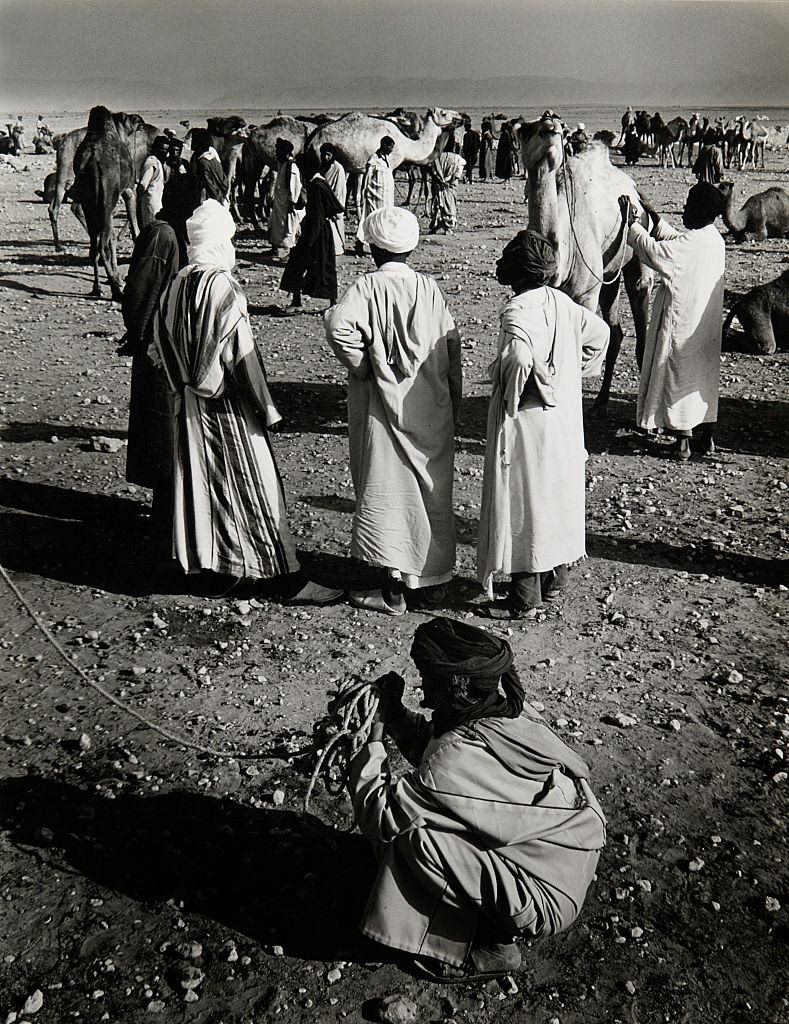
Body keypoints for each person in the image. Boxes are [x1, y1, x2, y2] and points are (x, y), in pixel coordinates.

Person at [347, 616, 607, 981]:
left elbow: (382, 815)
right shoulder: (508, 714)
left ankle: (491, 944)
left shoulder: (454, 757)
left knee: (413, 839)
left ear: (458, 690)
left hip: (546, 900)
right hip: (566, 867)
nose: (422, 694)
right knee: (431, 816)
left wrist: (369, 743)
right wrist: (397, 716)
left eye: (430, 683)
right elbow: (437, 754)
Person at [151, 199, 342, 604]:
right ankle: (282, 578)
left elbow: (158, 348)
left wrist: (181, 387)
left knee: (202, 487)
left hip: (187, 409)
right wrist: (267, 409)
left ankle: (212, 568)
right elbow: (241, 356)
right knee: (255, 485)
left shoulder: (173, 286)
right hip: (227, 409)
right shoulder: (224, 289)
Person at [325, 207, 462, 615]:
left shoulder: (367, 288)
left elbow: (338, 327)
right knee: (433, 493)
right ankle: (433, 583)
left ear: (373, 249)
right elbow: (450, 345)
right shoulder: (429, 288)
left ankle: (394, 589)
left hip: (383, 409)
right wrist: (452, 400)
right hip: (431, 404)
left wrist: (364, 366)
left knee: (390, 491)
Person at [477, 230, 609, 618]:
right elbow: (599, 334)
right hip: (563, 418)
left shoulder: (517, 311)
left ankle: (524, 597)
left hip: (527, 421)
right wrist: (570, 374)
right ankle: (556, 578)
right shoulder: (563, 302)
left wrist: (516, 394)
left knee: (523, 498)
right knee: (555, 494)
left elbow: (517, 359)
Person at [622, 182, 726, 460]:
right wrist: (654, 217)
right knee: (704, 378)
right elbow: (676, 239)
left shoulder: (689, 246)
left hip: (682, 326)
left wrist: (633, 225)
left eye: (689, 205)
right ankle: (706, 438)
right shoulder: (713, 239)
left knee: (678, 374)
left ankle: (682, 440)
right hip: (705, 332)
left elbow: (656, 252)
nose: (684, 208)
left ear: (700, 210)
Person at [120, 196, 183, 540]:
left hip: (167, 347)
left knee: (168, 435)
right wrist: (142, 335)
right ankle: (163, 523)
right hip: (158, 349)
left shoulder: (171, 234)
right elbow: (139, 292)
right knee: (162, 434)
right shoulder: (163, 235)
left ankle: (167, 515)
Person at [278, 149, 344, 313]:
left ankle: (297, 302)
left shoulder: (315, 186)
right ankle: (332, 303)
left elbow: (316, 214)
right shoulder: (321, 182)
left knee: (297, 263)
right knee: (324, 266)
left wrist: (309, 239)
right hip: (322, 232)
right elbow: (332, 208)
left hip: (315, 232)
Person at [355, 135, 395, 255]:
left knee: (385, 221)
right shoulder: (373, 160)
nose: (392, 150)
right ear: (384, 146)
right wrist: (363, 194)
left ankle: (382, 246)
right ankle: (362, 244)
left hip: (386, 199)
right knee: (372, 220)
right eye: (390, 147)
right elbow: (366, 179)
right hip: (374, 197)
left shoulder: (387, 160)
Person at [268, 137, 304, 259]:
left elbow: (295, 186)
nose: (277, 154)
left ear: (286, 153)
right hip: (280, 202)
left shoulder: (291, 166)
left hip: (287, 203)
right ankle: (276, 248)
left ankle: (289, 253)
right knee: (277, 225)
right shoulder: (281, 164)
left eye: (279, 152)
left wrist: (292, 202)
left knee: (289, 227)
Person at [428, 150, 466, 234]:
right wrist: (447, 183)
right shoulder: (458, 161)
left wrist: (441, 181)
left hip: (438, 184)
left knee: (437, 205)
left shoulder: (436, 159)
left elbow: (434, 173)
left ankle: (436, 225)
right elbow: (456, 176)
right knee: (449, 205)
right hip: (449, 187)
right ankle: (447, 227)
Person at [190, 127, 229, 206]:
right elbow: (225, 180)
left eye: (193, 139)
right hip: (220, 197)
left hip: (209, 201)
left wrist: (217, 199)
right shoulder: (214, 159)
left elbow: (208, 184)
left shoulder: (202, 162)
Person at [321, 143, 347, 256]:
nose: (325, 157)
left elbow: (340, 190)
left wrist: (335, 207)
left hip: (334, 203)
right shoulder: (322, 166)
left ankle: (337, 249)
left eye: (328, 155)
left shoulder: (338, 168)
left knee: (334, 225)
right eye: (323, 154)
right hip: (323, 203)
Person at [137, 135, 169, 228]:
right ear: (154, 147)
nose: (163, 152)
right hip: (150, 203)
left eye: (166, 150)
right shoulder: (152, 162)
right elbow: (143, 184)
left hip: (156, 202)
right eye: (161, 149)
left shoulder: (158, 162)